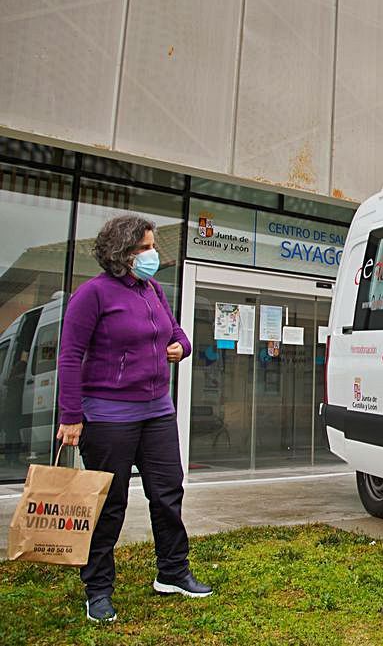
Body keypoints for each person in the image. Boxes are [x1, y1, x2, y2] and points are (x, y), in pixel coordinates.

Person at [57, 215, 212, 623]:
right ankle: (98, 589)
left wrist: (182, 347)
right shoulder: (93, 295)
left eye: (152, 245)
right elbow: (70, 356)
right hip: (108, 415)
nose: (153, 254)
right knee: (110, 504)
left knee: (167, 493)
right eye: (145, 247)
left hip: (157, 409)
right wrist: (71, 416)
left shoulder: (154, 289)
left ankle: (173, 572)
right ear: (122, 252)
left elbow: (178, 335)